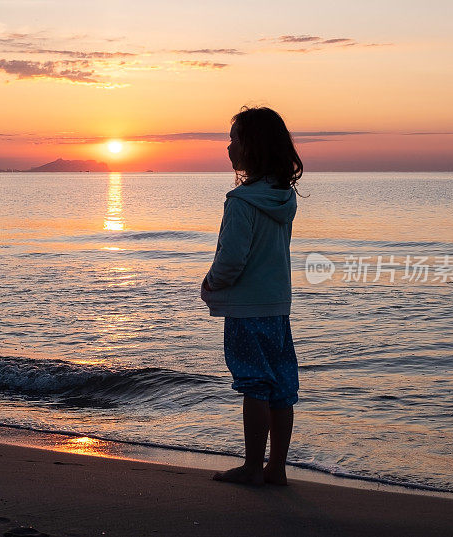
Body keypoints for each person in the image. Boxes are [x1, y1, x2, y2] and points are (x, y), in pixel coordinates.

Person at [201, 106, 302, 486]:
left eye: (235, 141)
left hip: (246, 310)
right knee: (280, 386)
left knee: (254, 385)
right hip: (277, 307)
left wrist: (211, 282)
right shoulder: (282, 198)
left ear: (252, 148)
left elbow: (232, 258)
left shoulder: (242, 202)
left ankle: (251, 466)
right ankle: (276, 468)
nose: (229, 148)